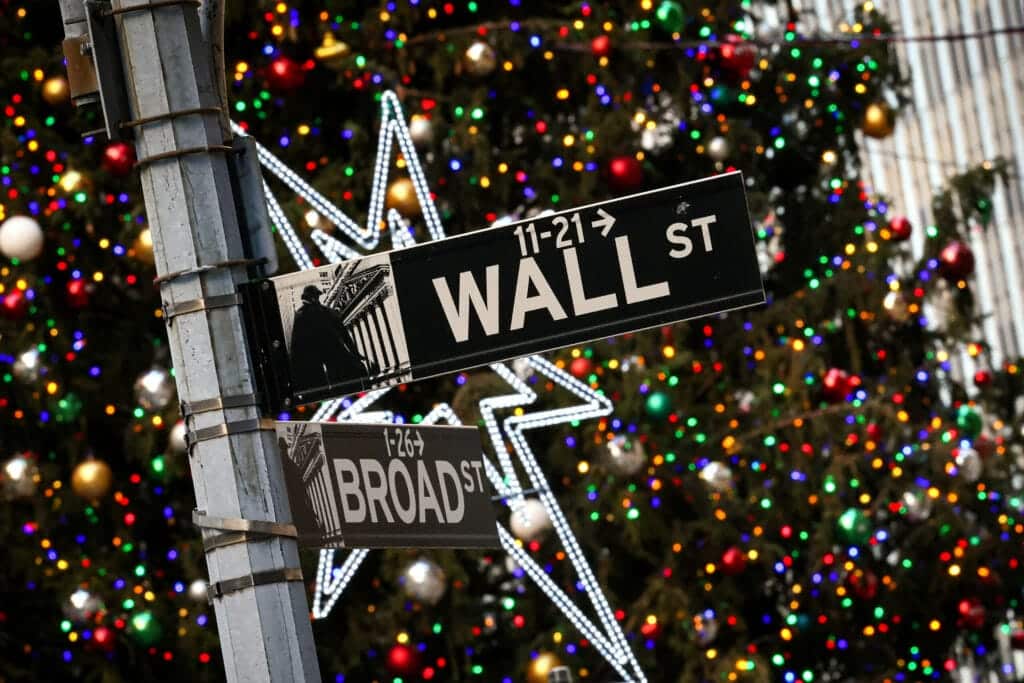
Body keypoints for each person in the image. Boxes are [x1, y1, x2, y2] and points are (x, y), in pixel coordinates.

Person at [289, 284, 370, 391]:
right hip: (327, 356)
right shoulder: (318, 312)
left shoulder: (304, 314)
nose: (315, 298)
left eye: (316, 296)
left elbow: (344, 334)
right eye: (314, 296)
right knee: (349, 377)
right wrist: (355, 353)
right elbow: (345, 335)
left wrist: (355, 353)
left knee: (348, 377)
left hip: (330, 356)